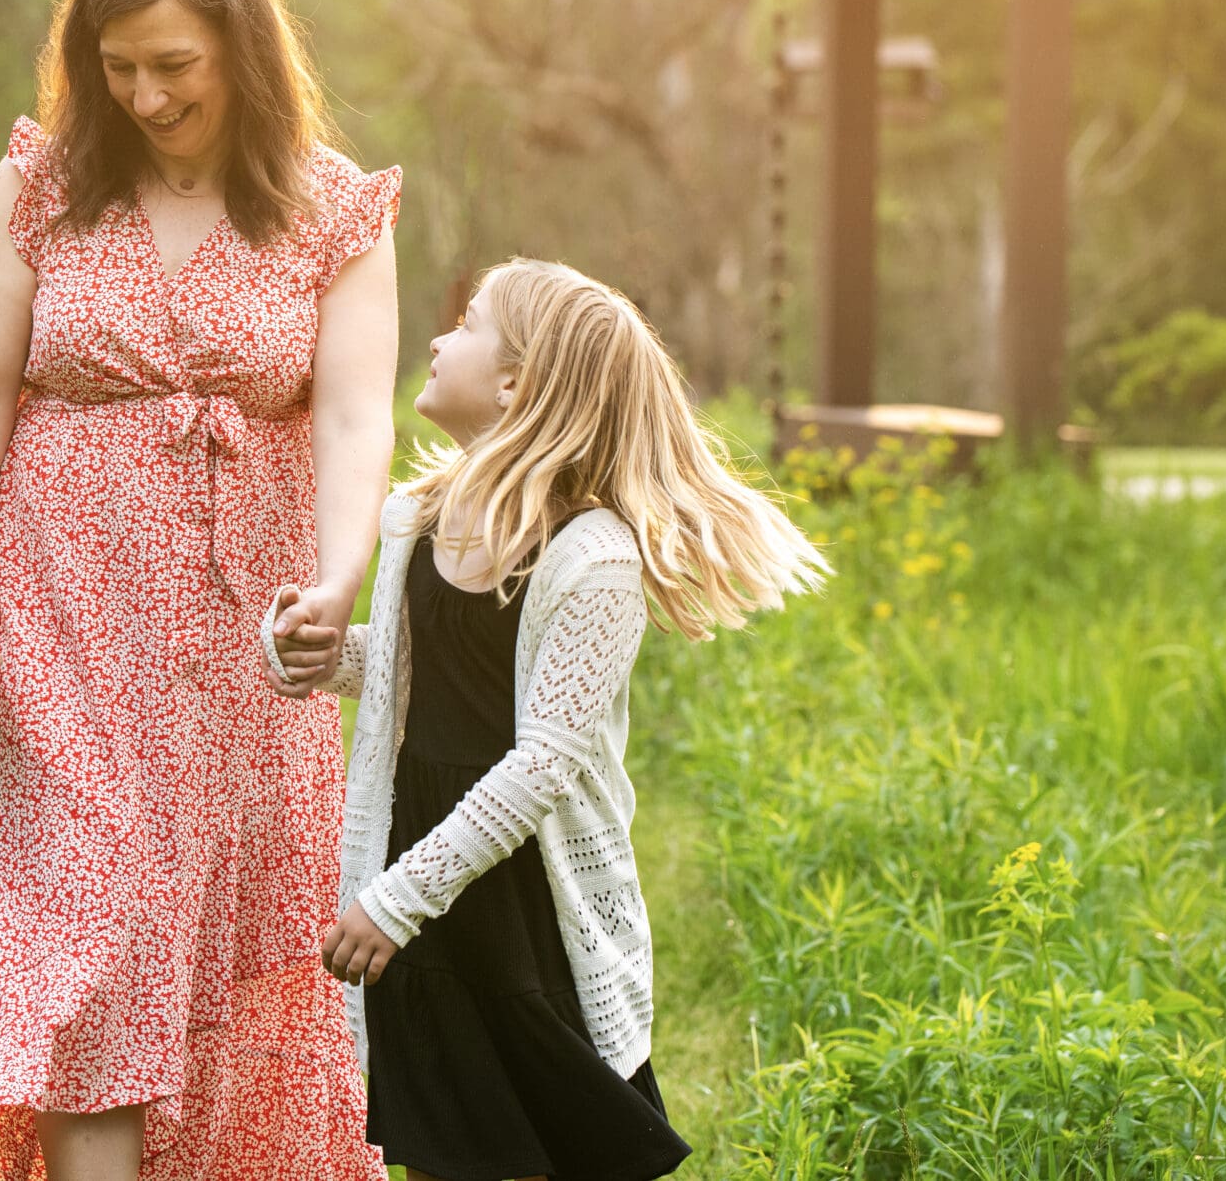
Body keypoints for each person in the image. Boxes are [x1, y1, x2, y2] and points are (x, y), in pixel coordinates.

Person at [0, 0, 397, 1181]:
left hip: (245, 644)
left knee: (227, 946)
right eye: (118, 67)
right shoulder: (43, 182)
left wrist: (335, 578)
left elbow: (351, 413)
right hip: (65, 624)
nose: (146, 97)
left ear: (242, 51)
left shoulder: (329, 210)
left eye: (176, 67)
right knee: (86, 939)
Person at [272, 259, 827, 1181]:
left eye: (467, 322)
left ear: (514, 383)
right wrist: (325, 654)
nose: (441, 337)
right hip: (425, 856)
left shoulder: (593, 558)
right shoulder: (418, 518)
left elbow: (543, 764)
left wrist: (395, 899)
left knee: (547, 1146)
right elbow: (420, 676)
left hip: (527, 898)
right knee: (446, 1141)